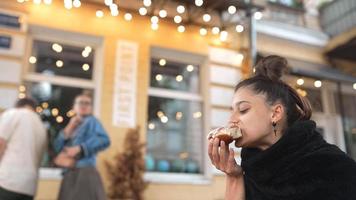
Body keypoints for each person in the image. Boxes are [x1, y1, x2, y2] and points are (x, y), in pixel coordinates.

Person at [208, 55, 356, 200]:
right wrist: (234, 176)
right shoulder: (252, 172)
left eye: (243, 109)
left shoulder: (331, 166)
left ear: (275, 113)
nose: (231, 120)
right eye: (231, 111)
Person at [54, 93, 110, 200]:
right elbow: (57, 147)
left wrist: (80, 148)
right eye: (80, 103)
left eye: (87, 103)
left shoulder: (92, 121)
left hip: (85, 172)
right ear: (74, 107)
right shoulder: (73, 124)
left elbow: (104, 140)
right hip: (70, 172)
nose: (83, 106)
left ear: (91, 108)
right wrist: (68, 129)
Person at [0, 98, 47, 200]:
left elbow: (0, 142)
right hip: (30, 187)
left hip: (8, 181)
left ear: (18, 106)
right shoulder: (41, 126)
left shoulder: (14, 113)